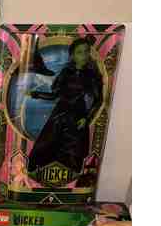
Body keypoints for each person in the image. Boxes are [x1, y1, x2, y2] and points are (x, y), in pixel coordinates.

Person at [28, 37, 104, 174]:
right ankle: (38, 177)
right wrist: (35, 94)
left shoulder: (93, 76)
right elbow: (55, 95)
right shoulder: (65, 72)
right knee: (45, 148)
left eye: (86, 51)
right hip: (59, 117)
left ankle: (69, 181)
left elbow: (98, 101)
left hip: (78, 119)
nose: (84, 55)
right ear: (72, 55)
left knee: (73, 154)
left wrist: (86, 118)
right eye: (79, 52)